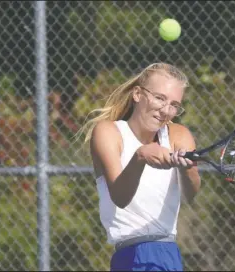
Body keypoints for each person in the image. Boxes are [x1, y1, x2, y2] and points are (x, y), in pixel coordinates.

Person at [78, 63, 201, 271]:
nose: (165, 110)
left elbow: (190, 194)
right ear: (137, 94)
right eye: (160, 98)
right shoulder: (108, 132)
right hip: (132, 255)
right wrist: (140, 156)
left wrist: (186, 168)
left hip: (169, 253)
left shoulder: (179, 134)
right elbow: (120, 196)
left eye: (174, 104)